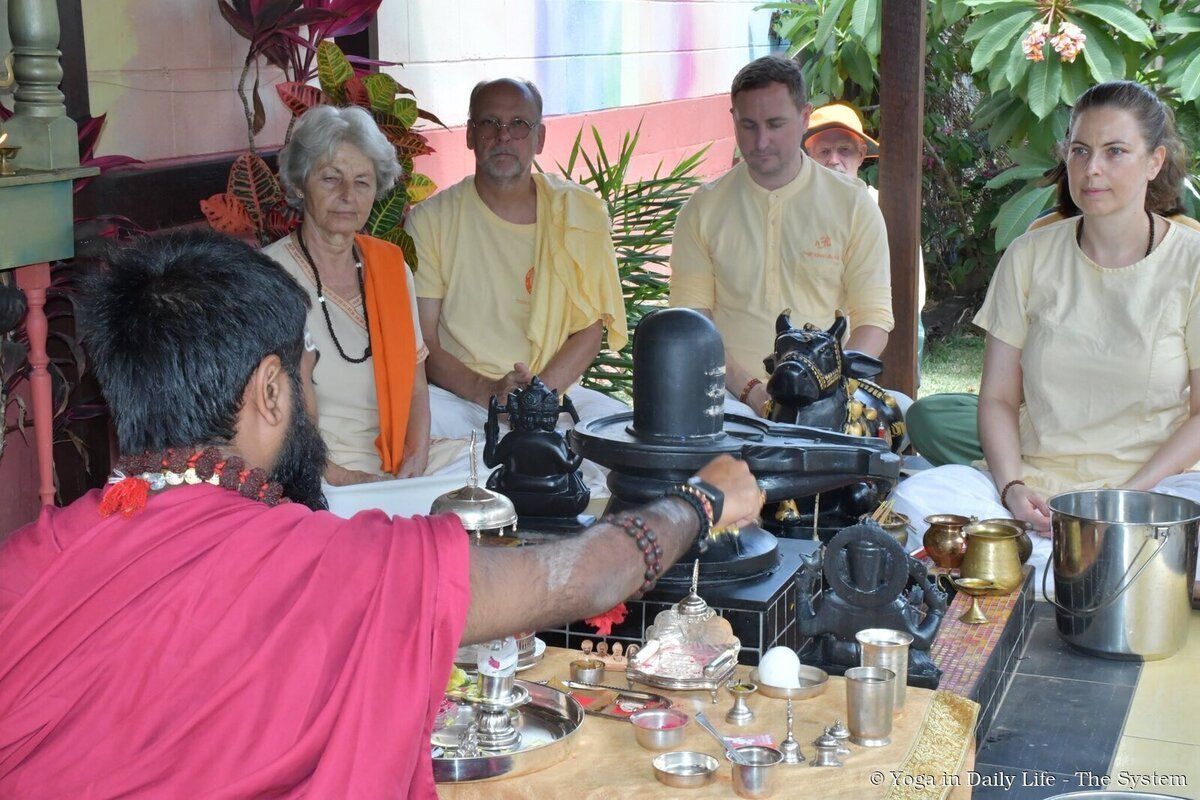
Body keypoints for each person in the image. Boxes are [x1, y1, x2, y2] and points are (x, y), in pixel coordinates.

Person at [0, 230, 762, 798]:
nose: (310, 398)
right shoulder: (329, 567)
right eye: (307, 377)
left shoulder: (29, 560)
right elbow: (586, 575)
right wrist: (701, 500)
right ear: (271, 392)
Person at [892, 81, 1200, 579]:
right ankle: (1078, 568)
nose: (1092, 168)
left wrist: (1125, 499)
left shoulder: (1192, 262)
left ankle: (1040, 569)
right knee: (913, 501)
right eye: (1080, 150)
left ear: (1154, 162)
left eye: (1115, 151)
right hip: (1041, 484)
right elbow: (997, 398)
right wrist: (1012, 487)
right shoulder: (1029, 255)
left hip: (1153, 491)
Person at [668, 56, 893, 418]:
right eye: (748, 125)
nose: (761, 141)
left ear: (805, 118)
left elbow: (874, 320)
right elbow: (694, 324)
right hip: (726, 397)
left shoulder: (853, 205)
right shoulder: (702, 208)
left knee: (903, 417)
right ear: (733, 119)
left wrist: (825, 390)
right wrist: (753, 393)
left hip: (826, 394)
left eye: (775, 124)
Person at [406, 78, 628, 440]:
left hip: (555, 394)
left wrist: (535, 399)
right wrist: (488, 391)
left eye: (519, 124)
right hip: (462, 400)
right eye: (489, 123)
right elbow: (423, 341)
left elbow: (589, 330)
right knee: (420, 436)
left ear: (539, 138)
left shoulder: (578, 214)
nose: (503, 136)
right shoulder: (432, 220)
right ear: (470, 134)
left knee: (618, 443)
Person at [264, 105, 444, 485]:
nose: (348, 195)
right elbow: (266, 416)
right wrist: (344, 478)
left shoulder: (391, 268)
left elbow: (416, 387)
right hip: (313, 476)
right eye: (331, 179)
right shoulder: (268, 277)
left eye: (362, 182)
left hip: (394, 464)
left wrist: (415, 458)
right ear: (300, 184)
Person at [803, 102, 927, 370]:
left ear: (861, 155)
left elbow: (912, 298)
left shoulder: (885, 210)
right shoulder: (798, 213)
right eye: (824, 151)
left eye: (844, 150)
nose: (833, 160)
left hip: (878, 346)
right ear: (808, 156)